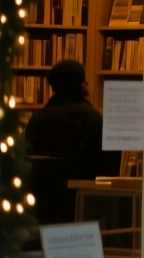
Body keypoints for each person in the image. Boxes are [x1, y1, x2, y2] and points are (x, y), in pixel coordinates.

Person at [25, 60, 118, 225]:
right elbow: (108, 169)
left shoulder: (37, 119)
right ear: (79, 83)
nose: (87, 82)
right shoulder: (93, 118)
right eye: (84, 78)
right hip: (81, 208)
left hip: (42, 208)